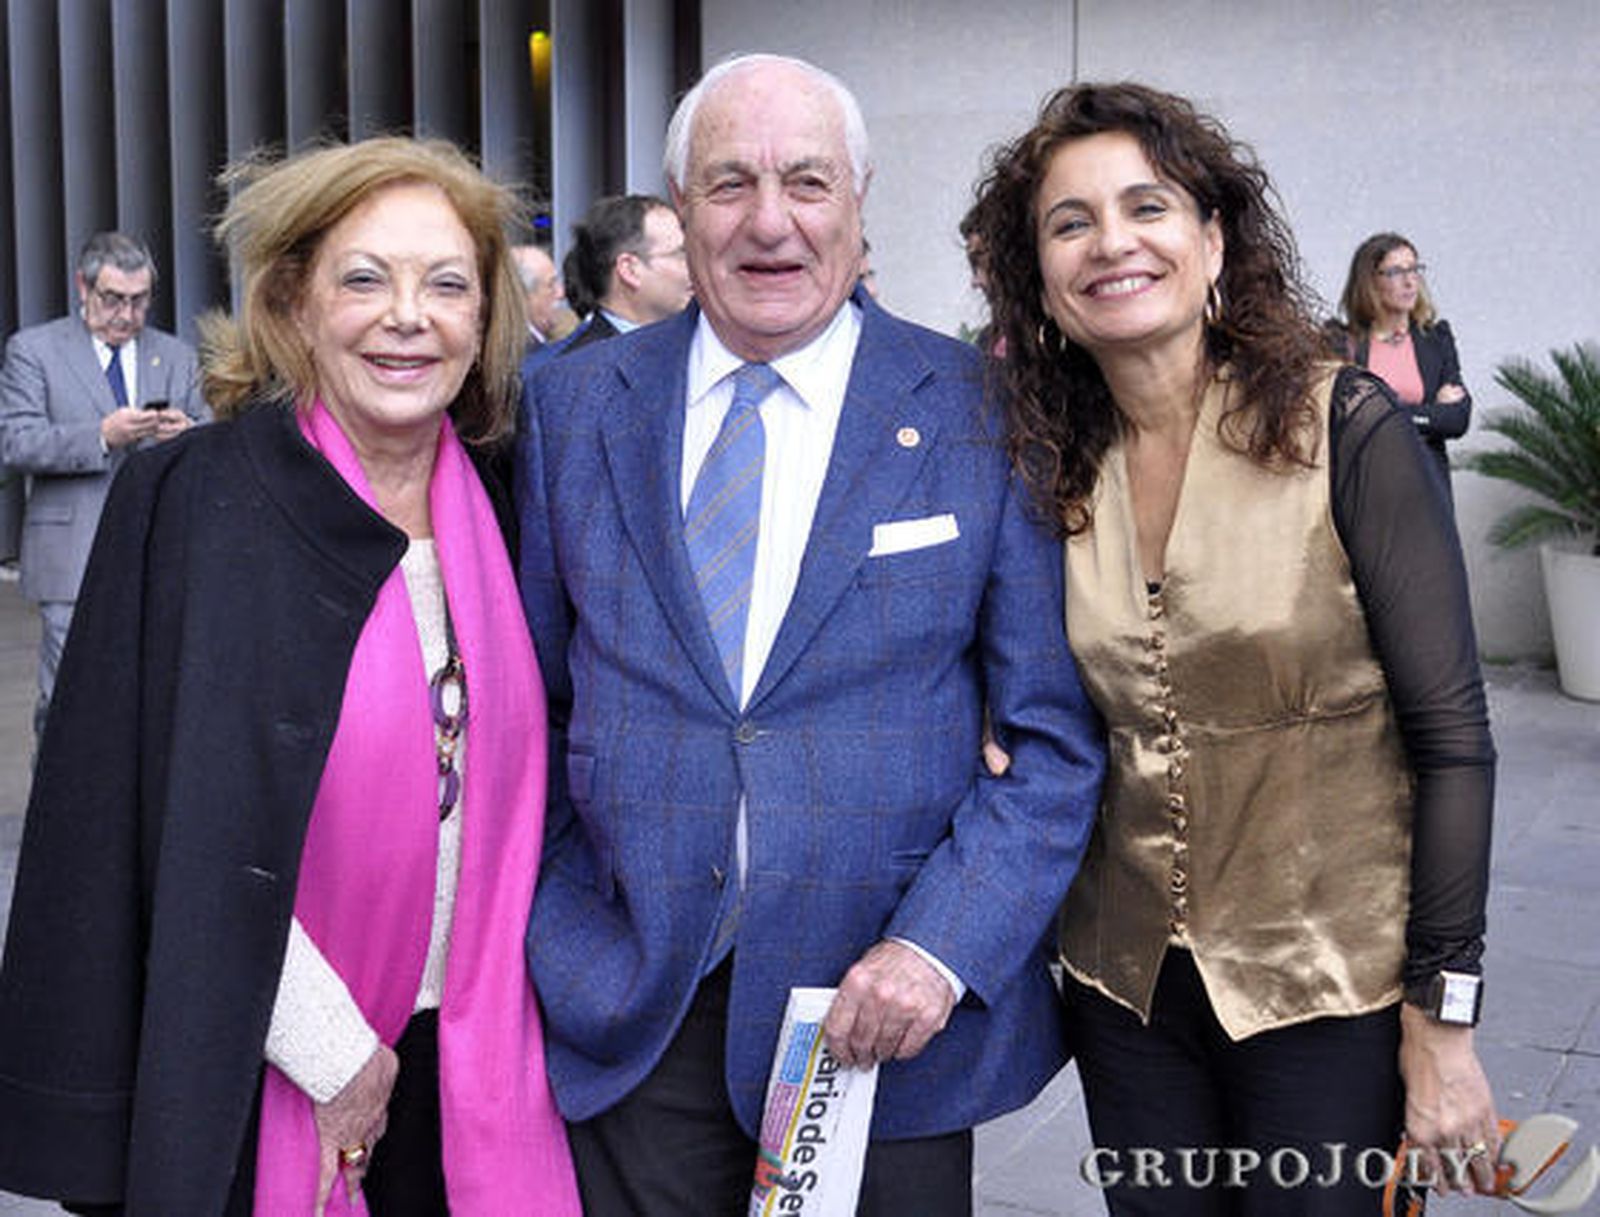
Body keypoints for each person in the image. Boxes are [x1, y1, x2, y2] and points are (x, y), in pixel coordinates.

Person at [516, 52, 1105, 1217]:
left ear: (859, 199)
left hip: (879, 1009)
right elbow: (531, 695)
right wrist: (552, 920)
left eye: (808, 182)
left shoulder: (978, 413)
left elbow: (1054, 741)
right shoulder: (571, 405)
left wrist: (940, 947)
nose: (770, 222)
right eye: (730, 184)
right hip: (634, 997)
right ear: (679, 212)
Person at [0, 137, 580, 1216]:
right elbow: (176, 821)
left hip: (477, 1054)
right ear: (292, 302)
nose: (409, 315)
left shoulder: (509, 501)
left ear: (486, 317)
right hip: (267, 1058)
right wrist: (330, 1050)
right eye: (364, 278)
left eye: (447, 284)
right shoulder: (196, 504)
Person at [964, 83, 1498, 1214]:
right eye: (1069, 222)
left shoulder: (1342, 426)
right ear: (1040, 282)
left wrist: (1442, 1018)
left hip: (1331, 988)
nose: (1111, 241)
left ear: (1211, 242)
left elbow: (1453, 740)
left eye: (1146, 206)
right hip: (1125, 996)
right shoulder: (1048, 464)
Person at [0, 232, 209, 739]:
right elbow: (15, 442)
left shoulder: (176, 355)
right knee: (67, 698)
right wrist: (100, 436)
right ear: (83, 287)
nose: (127, 314)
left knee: (151, 696)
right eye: (113, 299)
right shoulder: (34, 350)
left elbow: (214, 432)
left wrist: (191, 435)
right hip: (71, 554)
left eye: (140, 301)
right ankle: (60, 811)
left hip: (159, 551)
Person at [1338, 232, 1472, 492]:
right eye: (1396, 272)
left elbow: (1457, 419)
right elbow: (1346, 420)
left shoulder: (1435, 338)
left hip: (1426, 489)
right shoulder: (1343, 343)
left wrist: (1385, 416)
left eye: (1414, 269)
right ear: (1370, 281)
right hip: (1365, 489)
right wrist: (1428, 414)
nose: (1411, 282)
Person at [558, 193, 692, 352]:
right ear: (629, 270)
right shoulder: (584, 369)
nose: (694, 266)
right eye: (681, 254)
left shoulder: (688, 348)